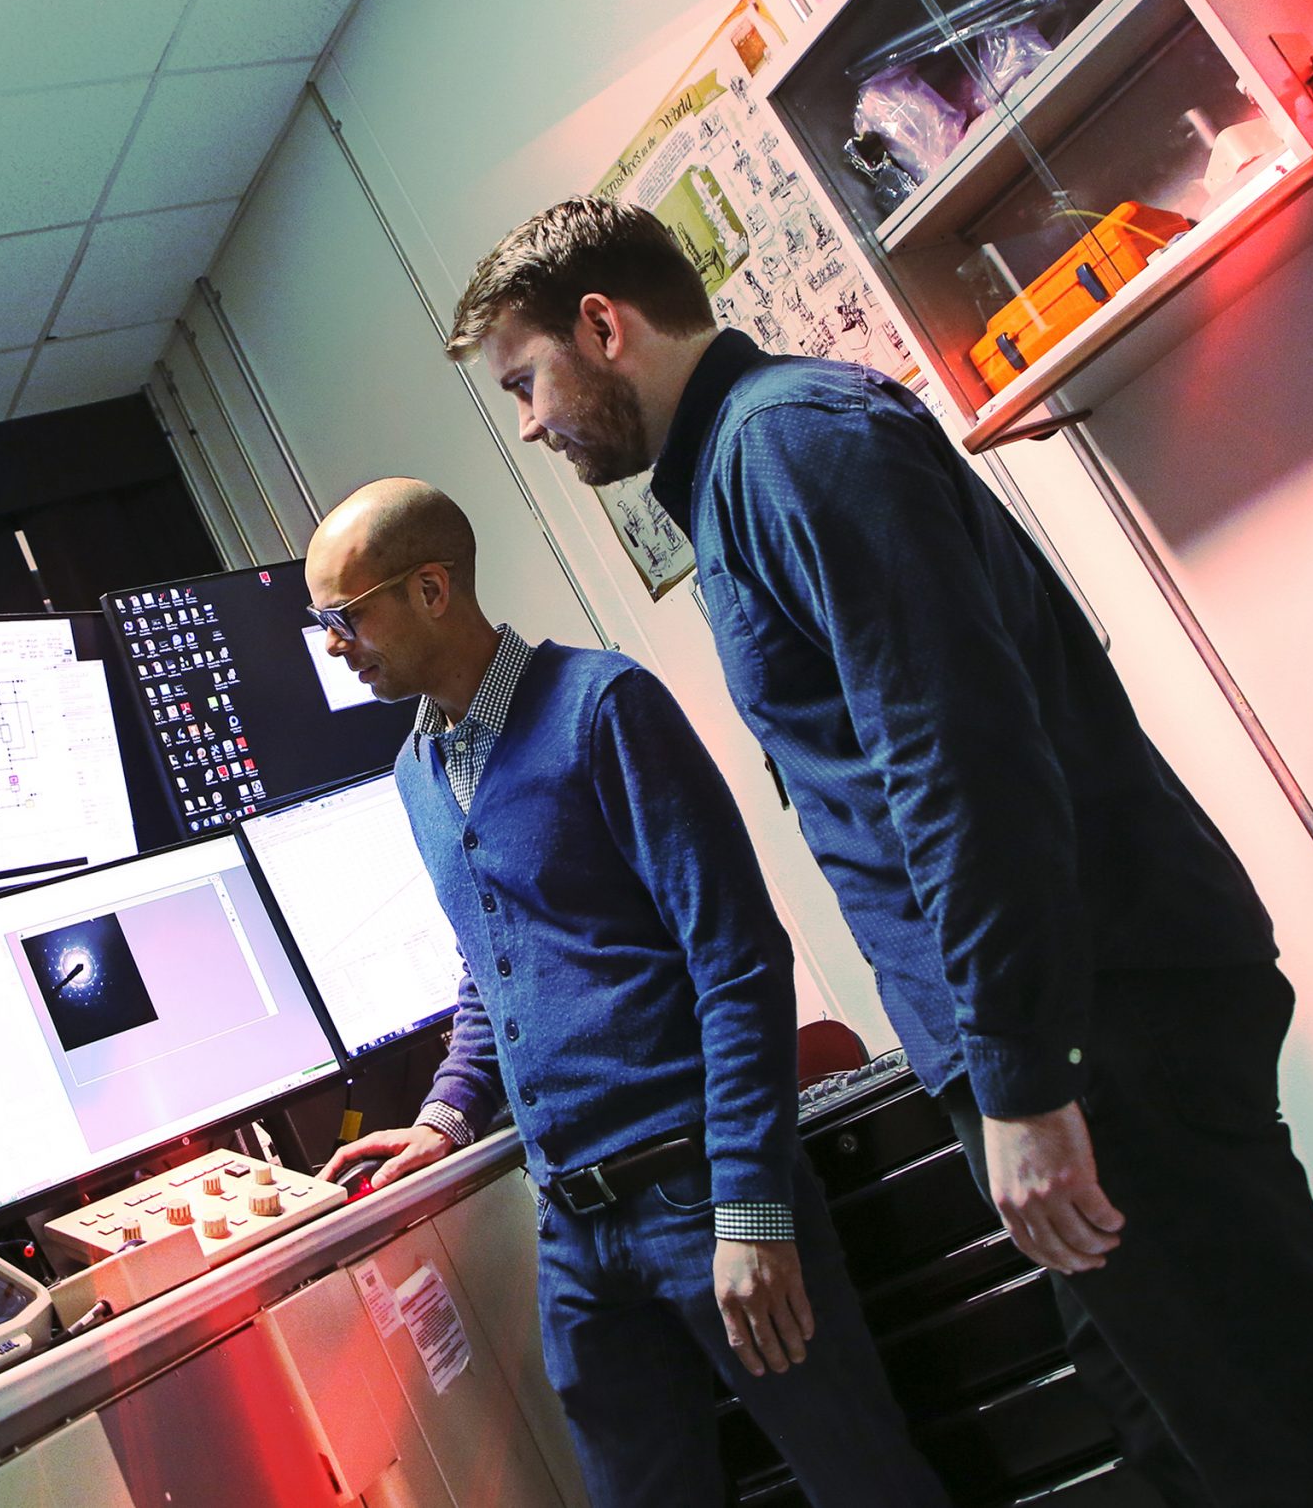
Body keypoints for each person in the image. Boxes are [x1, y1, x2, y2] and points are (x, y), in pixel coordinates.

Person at [445, 194, 1313, 1507]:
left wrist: (1024, 1076)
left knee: (1297, 1434)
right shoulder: (744, 472)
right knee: (1170, 1427)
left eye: (524, 381)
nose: (530, 423)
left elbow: (959, 768)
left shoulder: (788, 444)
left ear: (601, 324)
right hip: (1053, 1040)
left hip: (1089, 1037)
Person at [311, 478, 949, 1508]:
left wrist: (752, 1206)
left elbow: (737, 958)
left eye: (345, 616)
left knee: (863, 1482)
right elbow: (492, 962)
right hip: (574, 1228)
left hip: (702, 1189)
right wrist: (443, 1118)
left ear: (431, 588)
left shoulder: (602, 708)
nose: (335, 646)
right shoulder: (416, 774)